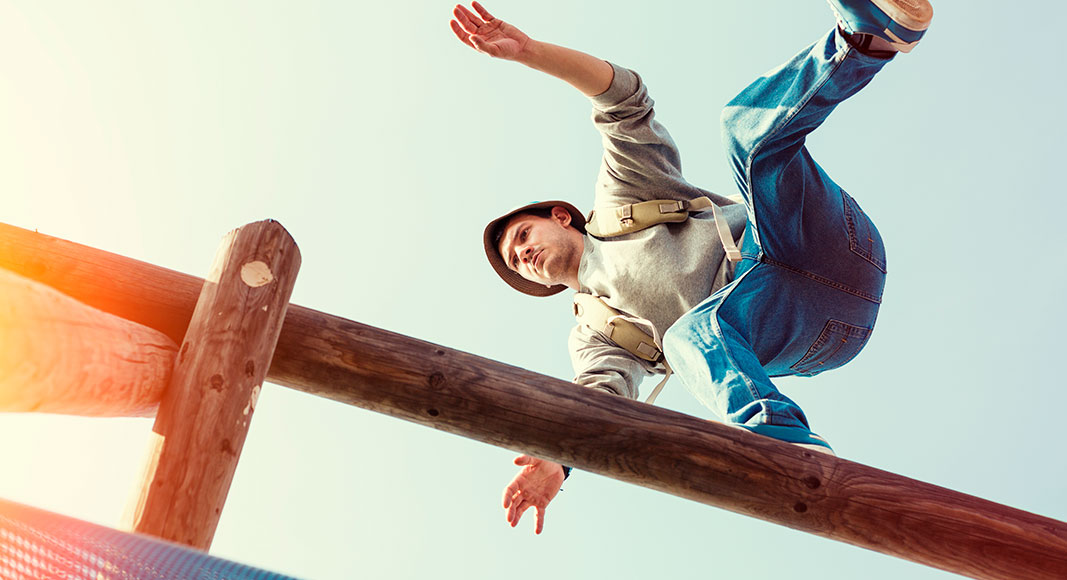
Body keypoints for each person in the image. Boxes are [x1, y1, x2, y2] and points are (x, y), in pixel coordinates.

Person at [449, 0, 933, 535]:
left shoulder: (621, 200)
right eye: (517, 262)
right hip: (814, 328)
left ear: (561, 217)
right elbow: (602, 398)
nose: (523, 255)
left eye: (522, 237)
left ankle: (865, 40)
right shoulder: (594, 331)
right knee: (689, 338)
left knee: (744, 130)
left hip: (820, 242)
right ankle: (784, 449)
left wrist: (532, 52)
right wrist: (557, 461)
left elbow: (624, 99)